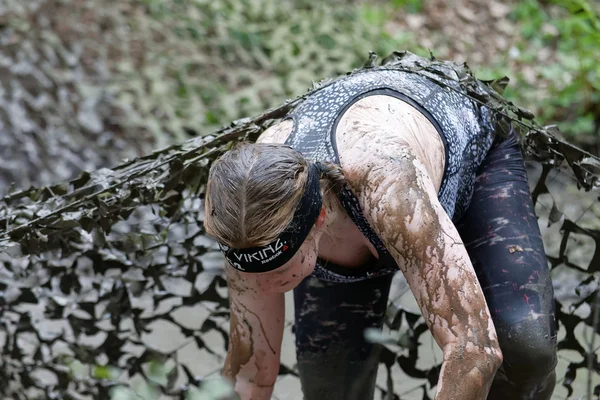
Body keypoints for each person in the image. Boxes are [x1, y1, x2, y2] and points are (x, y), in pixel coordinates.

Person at [203, 51, 557, 400]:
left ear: (318, 220)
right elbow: (251, 376)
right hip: (354, 190)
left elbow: (473, 348)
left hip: (466, 152)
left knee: (525, 347)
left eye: (276, 265)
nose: (263, 285)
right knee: (331, 390)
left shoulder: (388, 186)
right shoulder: (242, 218)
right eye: (251, 268)